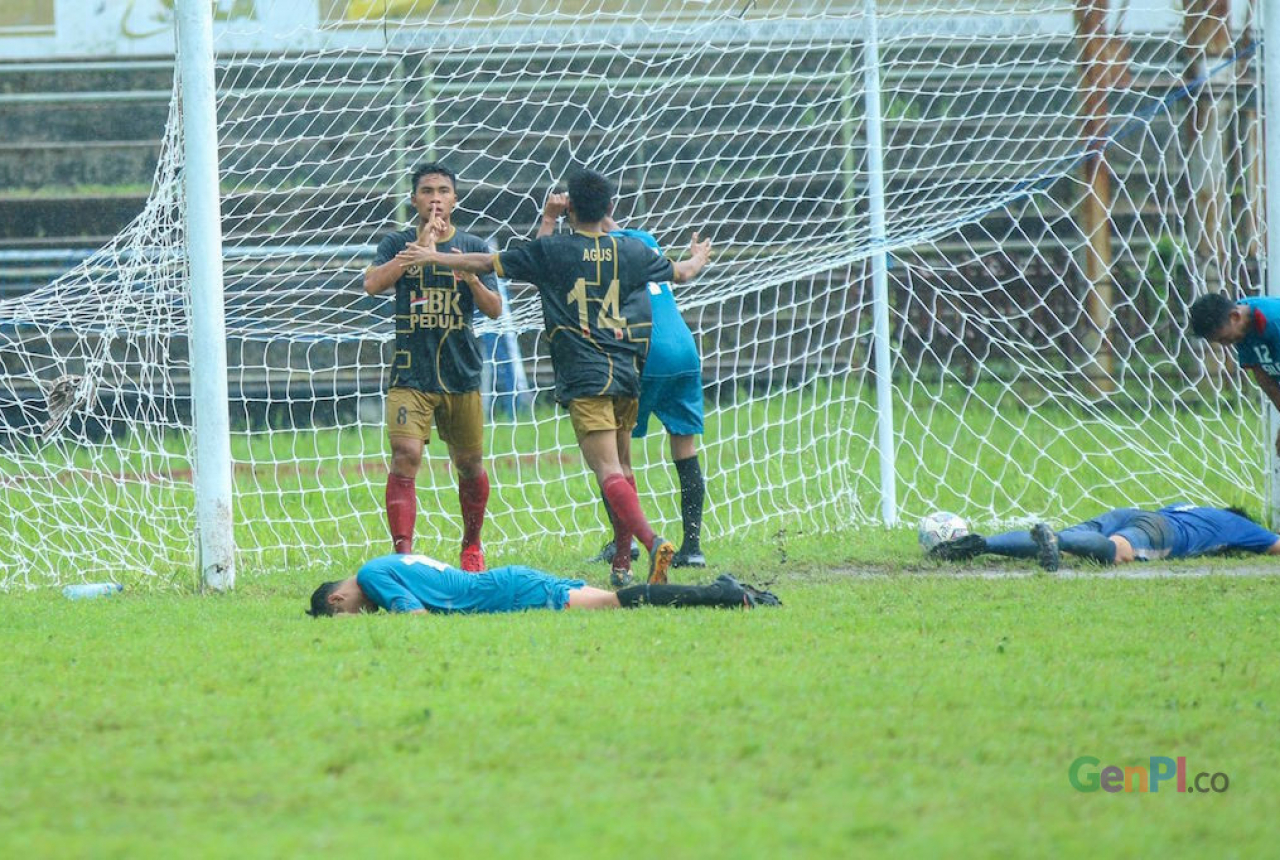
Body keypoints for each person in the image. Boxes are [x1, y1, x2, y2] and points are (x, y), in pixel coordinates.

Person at [414, 168, 713, 588]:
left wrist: (434, 256)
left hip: (585, 375)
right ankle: (621, 567)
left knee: (608, 471)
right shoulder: (631, 249)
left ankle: (651, 541)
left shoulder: (554, 252)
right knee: (624, 467)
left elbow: (484, 261)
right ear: (609, 207)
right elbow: (681, 273)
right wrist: (699, 256)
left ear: (569, 206)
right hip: (627, 371)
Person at [536, 197, 708, 571]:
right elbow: (685, 270)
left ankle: (623, 544)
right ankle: (693, 547)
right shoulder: (643, 241)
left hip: (644, 349)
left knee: (612, 456)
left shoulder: (605, 254)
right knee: (685, 446)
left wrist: (559, 215)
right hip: (684, 350)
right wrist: (698, 256)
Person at [363, 163, 503, 571]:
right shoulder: (396, 243)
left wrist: (466, 275)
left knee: (469, 464)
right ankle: (403, 555)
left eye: (443, 190)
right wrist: (416, 255)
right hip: (412, 372)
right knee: (405, 454)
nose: (436, 198)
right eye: (427, 191)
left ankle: (471, 546)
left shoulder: (471, 243)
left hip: (461, 371)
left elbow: (494, 311)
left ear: (455, 199)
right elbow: (372, 285)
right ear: (414, 200)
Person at [306, 553, 780, 616]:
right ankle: (724, 591)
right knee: (612, 603)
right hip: (508, 585)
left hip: (513, 591)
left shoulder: (370, 576)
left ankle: (724, 594)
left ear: (337, 598)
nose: (365, 613)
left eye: (353, 613)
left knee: (615, 603)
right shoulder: (380, 566)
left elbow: (416, 617)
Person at [930, 504, 1280, 570]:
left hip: (1135, 512)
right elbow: (1275, 545)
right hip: (1163, 530)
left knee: (1067, 539)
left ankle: (982, 543)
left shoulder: (1192, 506)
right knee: (1116, 552)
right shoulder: (1238, 527)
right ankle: (1059, 542)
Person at [1188, 293, 1280, 455]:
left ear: (1235, 316)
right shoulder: (1242, 330)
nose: (1224, 344)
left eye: (1224, 339)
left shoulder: (1274, 321)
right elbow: (1265, 379)